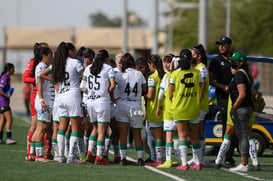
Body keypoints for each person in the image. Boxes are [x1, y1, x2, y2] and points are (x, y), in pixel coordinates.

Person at [44, 42, 84, 163]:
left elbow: (42, 74)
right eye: (74, 50)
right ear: (70, 51)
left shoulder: (57, 64)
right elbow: (85, 75)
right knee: (75, 127)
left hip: (61, 97)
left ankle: (60, 156)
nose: (76, 52)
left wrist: (55, 82)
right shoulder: (75, 62)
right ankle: (71, 156)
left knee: (62, 127)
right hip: (73, 96)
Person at [80, 49, 115, 165]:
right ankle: (99, 157)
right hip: (102, 101)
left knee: (94, 128)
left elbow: (82, 87)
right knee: (101, 131)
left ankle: (90, 153)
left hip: (90, 101)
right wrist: (107, 92)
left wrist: (90, 93)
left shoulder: (88, 68)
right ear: (106, 59)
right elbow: (113, 85)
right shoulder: (108, 68)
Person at [169, 49, 202, 171]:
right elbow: (201, 88)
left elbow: (171, 93)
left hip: (180, 109)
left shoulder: (175, 74)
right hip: (193, 109)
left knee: (182, 136)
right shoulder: (197, 73)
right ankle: (198, 163)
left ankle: (184, 163)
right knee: (194, 137)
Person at [208, 36, 236, 166]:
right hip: (223, 97)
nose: (221, 46)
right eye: (219, 44)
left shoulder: (235, 58)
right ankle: (227, 156)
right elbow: (210, 80)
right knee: (227, 125)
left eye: (223, 44)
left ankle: (234, 154)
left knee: (235, 125)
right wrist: (222, 87)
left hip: (236, 96)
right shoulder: (215, 61)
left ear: (229, 45)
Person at [115, 53, 147, 166]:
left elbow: (113, 86)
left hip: (122, 103)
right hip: (135, 104)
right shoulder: (139, 74)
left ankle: (123, 158)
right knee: (137, 133)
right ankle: (140, 159)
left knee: (123, 133)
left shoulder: (119, 74)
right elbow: (144, 88)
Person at [23, 42, 53, 159]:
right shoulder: (38, 65)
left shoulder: (42, 65)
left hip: (42, 99)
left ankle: (33, 154)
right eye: (50, 54)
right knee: (40, 127)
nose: (52, 56)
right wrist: (41, 99)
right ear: (44, 54)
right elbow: (35, 81)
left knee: (43, 127)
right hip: (40, 98)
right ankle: (37, 154)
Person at [226, 52, 254, 171]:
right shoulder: (245, 73)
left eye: (235, 61)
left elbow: (242, 94)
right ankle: (245, 162)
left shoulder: (239, 75)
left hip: (241, 109)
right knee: (243, 136)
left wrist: (234, 108)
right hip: (246, 108)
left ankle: (244, 163)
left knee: (242, 136)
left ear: (241, 62)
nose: (232, 63)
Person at [156, 54, 180, 168]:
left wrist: (158, 107)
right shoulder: (182, 74)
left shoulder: (168, 76)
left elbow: (161, 94)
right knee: (181, 135)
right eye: (164, 62)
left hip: (170, 109)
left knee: (169, 134)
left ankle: (169, 160)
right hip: (182, 108)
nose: (166, 64)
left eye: (168, 62)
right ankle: (181, 159)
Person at [188, 44, 209, 165]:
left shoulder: (201, 68)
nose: (191, 56)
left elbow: (202, 88)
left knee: (197, 132)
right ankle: (198, 157)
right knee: (196, 133)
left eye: (193, 54)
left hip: (200, 106)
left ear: (199, 56)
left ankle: (200, 158)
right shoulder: (196, 68)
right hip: (197, 105)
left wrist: (197, 102)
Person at [145, 54, 165, 166]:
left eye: (149, 64)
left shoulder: (152, 78)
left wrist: (143, 94)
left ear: (151, 64)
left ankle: (158, 159)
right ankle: (164, 158)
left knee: (157, 137)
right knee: (163, 136)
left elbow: (151, 95)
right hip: (165, 109)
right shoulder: (165, 75)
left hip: (153, 110)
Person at [0, 63, 16, 145]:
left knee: (3, 120)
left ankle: (0, 139)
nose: (14, 70)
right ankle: (8, 138)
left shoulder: (7, 77)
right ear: (9, 69)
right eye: (13, 68)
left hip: (3, 102)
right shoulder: (5, 77)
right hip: (3, 102)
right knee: (10, 119)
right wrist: (7, 95)